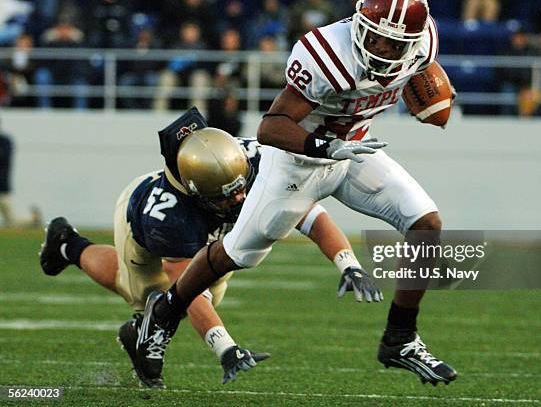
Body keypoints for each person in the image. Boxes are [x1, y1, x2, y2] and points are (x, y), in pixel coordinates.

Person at [135, 0, 458, 387]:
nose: (380, 49)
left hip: (356, 149)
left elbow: (422, 71)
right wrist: (322, 147)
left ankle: (400, 339)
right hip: (296, 160)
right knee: (236, 253)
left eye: (392, 44)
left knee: (426, 225)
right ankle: (164, 314)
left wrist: (432, 96)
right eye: (374, 38)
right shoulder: (327, 54)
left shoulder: (423, 43)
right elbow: (271, 126)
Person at [39, 109, 381, 388]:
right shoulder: (170, 215)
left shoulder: (257, 162)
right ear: (196, 191)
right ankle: (69, 245)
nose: (240, 198)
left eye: (241, 186)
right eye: (226, 195)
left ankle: (134, 325)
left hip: (202, 225)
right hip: (140, 224)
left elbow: (308, 213)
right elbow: (185, 288)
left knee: (210, 294)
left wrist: (347, 263)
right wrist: (225, 348)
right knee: (147, 294)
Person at [0, 118, 40, 227]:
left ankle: (33, 219)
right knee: (10, 219)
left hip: (2, 186)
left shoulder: (5, 141)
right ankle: (33, 219)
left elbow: (3, 158)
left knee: (11, 220)